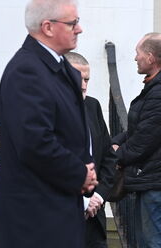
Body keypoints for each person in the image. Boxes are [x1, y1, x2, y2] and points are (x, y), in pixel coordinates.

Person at [0, 0, 97, 248]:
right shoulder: (26, 71)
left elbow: (73, 132)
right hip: (35, 216)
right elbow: (35, 142)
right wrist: (78, 173)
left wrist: (87, 168)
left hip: (59, 205)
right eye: (72, 23)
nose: (79, 29)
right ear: (47, 27)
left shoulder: (59, 68)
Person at [111, 33, 161, 248]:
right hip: (153, 176)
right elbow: (141, 129)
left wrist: (114, 155)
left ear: (150, 57)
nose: (135, 58)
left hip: (155, 178)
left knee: (158, 242)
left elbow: (144, 141)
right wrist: (117, 141)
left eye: (138, 53)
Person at [64, 52, 116, 248]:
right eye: (79, 79)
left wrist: (99, 196)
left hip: (94, 218)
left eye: (87, 79)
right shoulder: (48, 110)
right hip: (63, 216)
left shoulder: (92, 106)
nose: (84, 85)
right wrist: (82, 201)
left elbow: (108, 157)